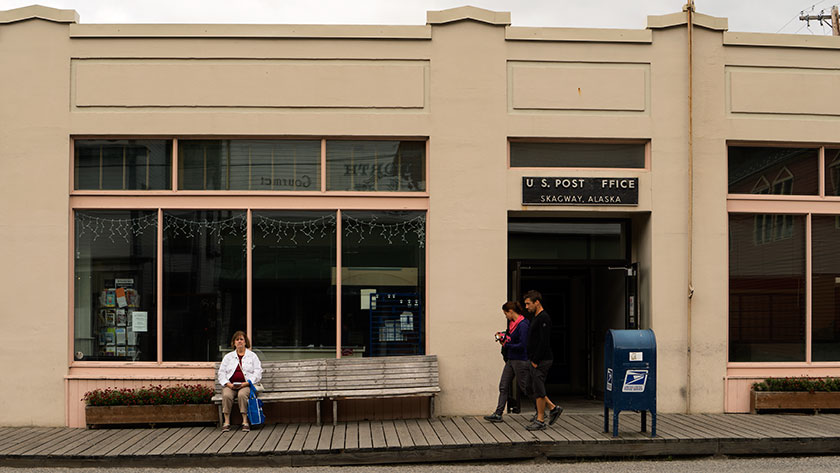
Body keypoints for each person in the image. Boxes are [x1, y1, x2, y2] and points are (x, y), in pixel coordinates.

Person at [484, 301, 531, 423]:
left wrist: (507, 344)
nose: (505, 316)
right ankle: (498, 413)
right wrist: (502, 336)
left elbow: (523, 344)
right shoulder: (511, 323)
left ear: (511, 312)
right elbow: (510, 337)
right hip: (511, 359)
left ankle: (542, 410)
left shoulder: (523, 324)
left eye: (506, 314)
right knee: (503, 386)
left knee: (526, 388)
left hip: (521, 360)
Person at [523, 290, 563, 431]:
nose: (526, 307)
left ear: (537, 302)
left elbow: (544, 341)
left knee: (538, 389)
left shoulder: (544, 318)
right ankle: (552, 407)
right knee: (529, 386)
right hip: (534, 359)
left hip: (541, 360)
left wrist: (536, 360)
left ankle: (540, 419)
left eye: (528, 304)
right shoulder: (535, 317)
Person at [217, 330, 263, 432]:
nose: (239, 341)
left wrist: (247, 383)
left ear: (245, 342)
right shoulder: (228, 357)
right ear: (234, 343)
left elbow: (258, 372)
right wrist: (228, 384)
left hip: (246, 385)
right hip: (231, 385)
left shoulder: (252, 356)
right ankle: (227, 422)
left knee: (242, 395)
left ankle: (245, 421)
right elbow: (221, 373)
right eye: (237, 340)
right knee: (226, 395)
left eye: (241, 339)